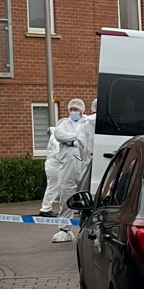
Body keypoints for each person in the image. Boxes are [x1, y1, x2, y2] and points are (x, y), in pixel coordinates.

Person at [43, 99, 94, 243]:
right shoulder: (63, 123)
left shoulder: (88, 122)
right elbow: (59, 135)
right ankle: (65, 229)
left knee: (87, 196)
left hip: (83, 163)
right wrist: (77, 139)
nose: (73, 111)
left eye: (76, 109)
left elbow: (86, 139)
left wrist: (71, 141)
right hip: (67, 164)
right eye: (71, 109)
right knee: (65, 193)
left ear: (82, 110)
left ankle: (88, 228)